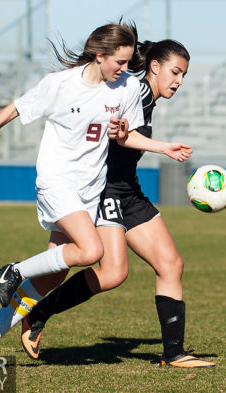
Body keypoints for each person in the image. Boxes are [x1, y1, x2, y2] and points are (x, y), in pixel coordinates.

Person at [0, 22, 192, 365]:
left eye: (130, 63)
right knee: (90, 250)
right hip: (57, 182)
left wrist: (160, 146)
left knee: (55, 273)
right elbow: (17, 108)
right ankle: (15, 270)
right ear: (100, 56)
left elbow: (123, 137)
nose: (128, 70)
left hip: (90, 187)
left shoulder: (125, 87)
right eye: (121, 63)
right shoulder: (61, 85)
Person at [18, 39, 215, 368]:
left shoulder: (147, 96)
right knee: (111, 273)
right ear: (155, 66)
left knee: (171, 264)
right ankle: (36, 312)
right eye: (175, 72)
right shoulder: (132, 89)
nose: (179, 80)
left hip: (129, 189)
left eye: (183, 75)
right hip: (106, 188)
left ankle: (174, 353)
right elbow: (107, 128)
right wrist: (162, 147)